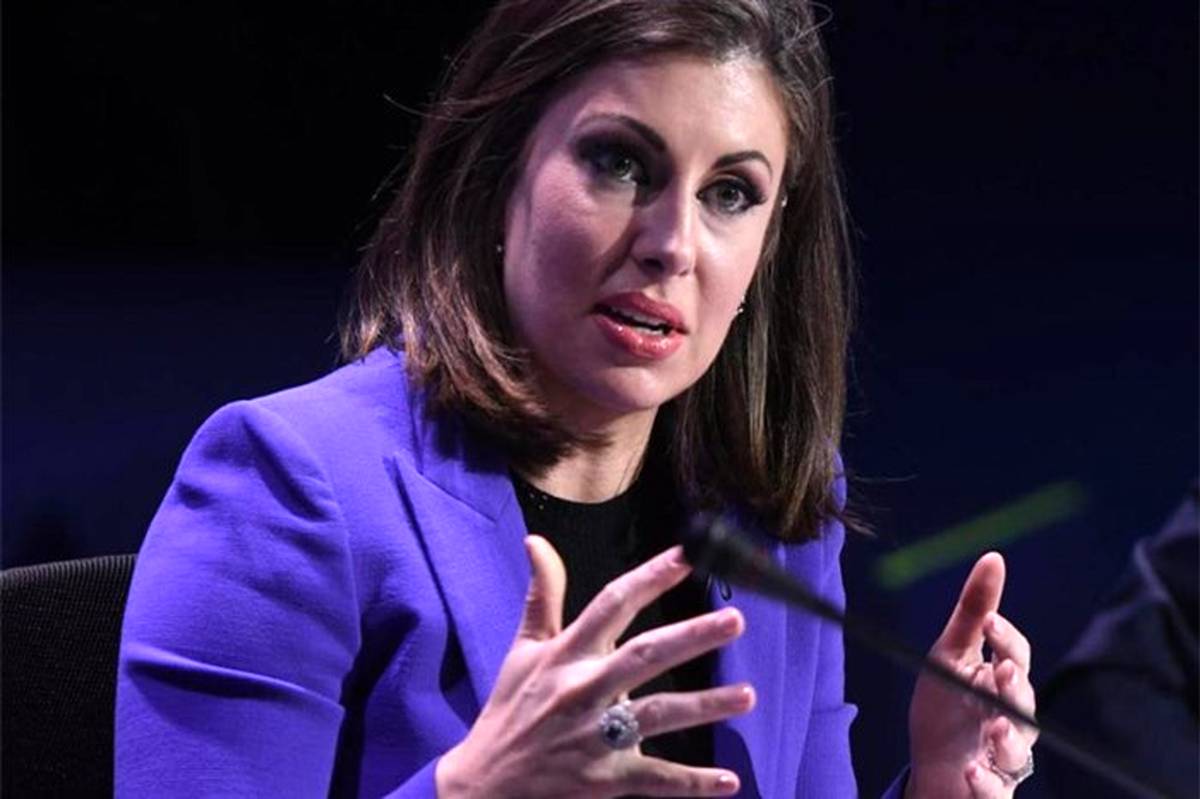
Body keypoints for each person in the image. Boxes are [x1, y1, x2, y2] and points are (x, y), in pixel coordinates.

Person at [115, 1, 1038, 796]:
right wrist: (475, 787)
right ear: (499, 168)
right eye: (621, 164)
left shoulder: (773, 515)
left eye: (730, 192)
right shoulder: (289, 487)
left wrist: (938, 783)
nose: (673, 244)